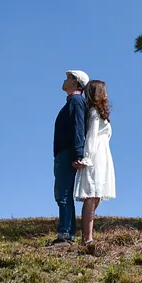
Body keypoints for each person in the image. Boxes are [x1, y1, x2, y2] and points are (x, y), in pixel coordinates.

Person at [74, 79, 115, 246]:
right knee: (91, 195)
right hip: (96, 156)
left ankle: (88, 235)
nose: (106, 94)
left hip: (103, 155)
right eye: (103, 90)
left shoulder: (99, 112)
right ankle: (87, 238)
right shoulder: (93, 113)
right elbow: (91, 136)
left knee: (96, 195)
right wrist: (87, 158)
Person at [49, 69, 88, 245]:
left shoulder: (76, 101)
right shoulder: (73, 101)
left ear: (76, 82)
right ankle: (66, 233)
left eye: (68, 78)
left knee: (63, 193)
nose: (64, 80)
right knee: (62, 193)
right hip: (64, 154)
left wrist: (78, 154)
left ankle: (65, 234)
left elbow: (78, 128)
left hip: (67, 154)